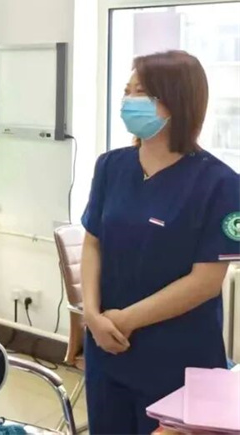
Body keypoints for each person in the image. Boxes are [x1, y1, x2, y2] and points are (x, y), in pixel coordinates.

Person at [81, 50, 238, 434]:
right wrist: (91, 314)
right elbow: (93, 243)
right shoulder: (111, 166)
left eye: (142, 92)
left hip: (176, 356)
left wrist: (125, 320)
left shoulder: (221, 184)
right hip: (107, 348)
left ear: (177, 102)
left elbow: (205, 282)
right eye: (127, 90)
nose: (128, 100)